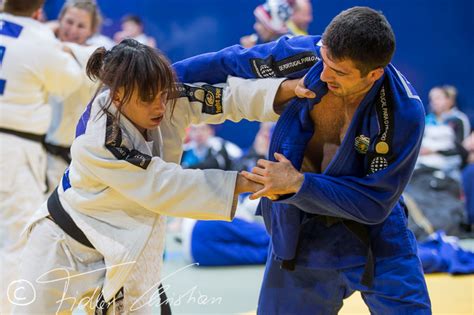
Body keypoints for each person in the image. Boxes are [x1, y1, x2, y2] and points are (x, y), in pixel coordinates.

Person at [11, 39, 303, 313]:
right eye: (149, 99)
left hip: (127, 248)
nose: (161, 106)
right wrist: (251, 182)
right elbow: (164, 184)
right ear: (118, 95)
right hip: (64, 244)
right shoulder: (98, 138)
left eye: (163, 95)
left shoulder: (162, 94)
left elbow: (226, 99)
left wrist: (288, 89)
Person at [174, 6, 432, 314]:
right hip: (301, 231)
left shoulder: (403, 111)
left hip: (377, 236)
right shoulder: (307, 55)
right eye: (326, 61)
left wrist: (298, 183)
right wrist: (161, 76)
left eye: (339, 72)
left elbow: (374, 203)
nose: (324, 75)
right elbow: (231, 62)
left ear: (373, 74)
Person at [0, 0, 84, 312]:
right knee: (16, 239)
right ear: (40, 9)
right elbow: (69, 82)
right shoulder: (40, 39)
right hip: (13, 147)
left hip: (14, 144)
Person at [45, 0, 102, 193]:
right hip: (37, 151)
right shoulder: (46, 46)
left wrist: (43, 32)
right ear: (60, 19)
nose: (73, 30)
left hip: (70, 159)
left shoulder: (95, 57)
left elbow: (63, 50)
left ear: (92, 30)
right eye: (69, 22)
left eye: (81, 26)